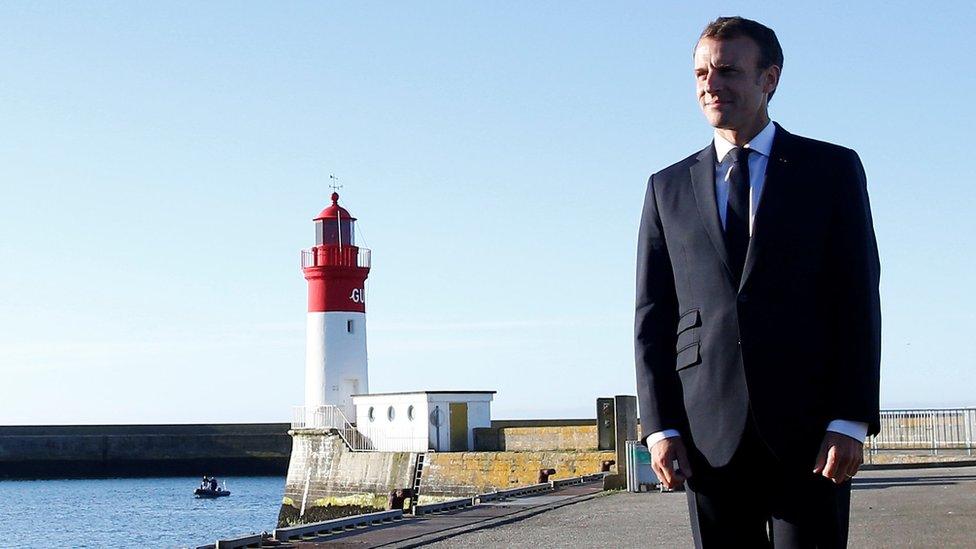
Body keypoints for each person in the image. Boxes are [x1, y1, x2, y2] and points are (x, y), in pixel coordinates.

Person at [634, 16, 881, 548]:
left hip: (811, 434)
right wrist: (660, 426)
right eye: (700, 72)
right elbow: (653, 315)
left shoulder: (830, 170)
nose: (710, 85)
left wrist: (852, 418)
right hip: (706, 438)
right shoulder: (666, 187)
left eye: (726, 71)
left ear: (769, 78)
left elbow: (857, 299)